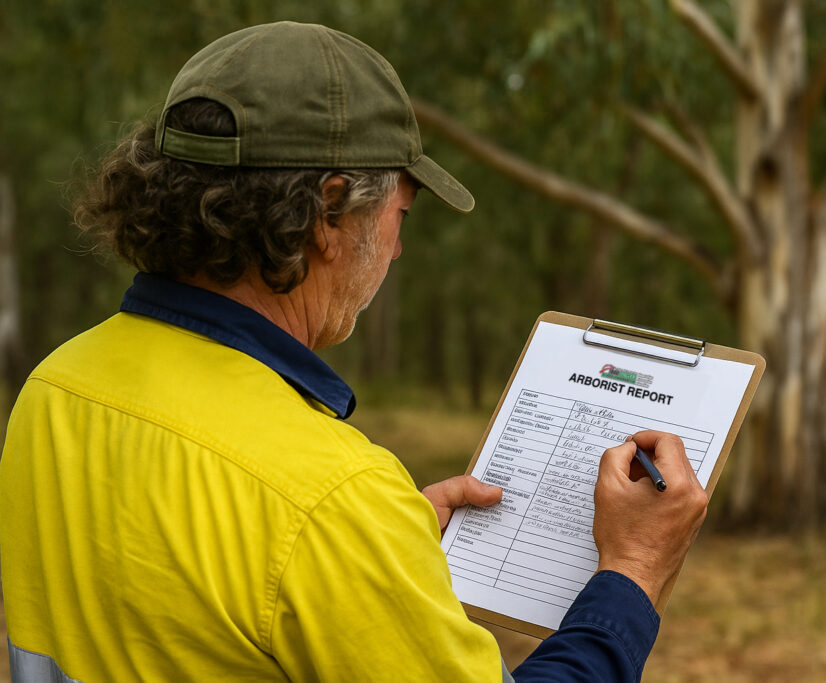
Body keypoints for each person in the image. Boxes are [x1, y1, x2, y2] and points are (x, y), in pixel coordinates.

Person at [0, 21, 708, 682]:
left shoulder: (54, 389)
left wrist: (370, 558)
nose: (398, 247)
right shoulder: (329, 500)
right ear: (329, 212)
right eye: (400, 215)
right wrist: (634, 568)